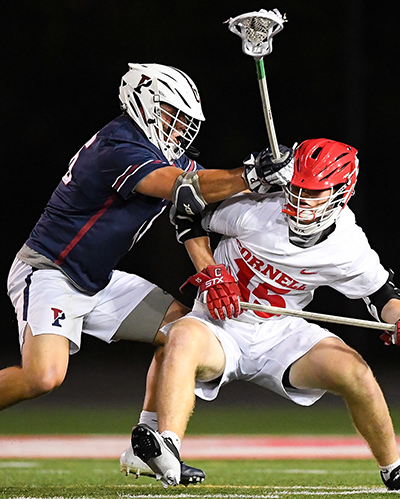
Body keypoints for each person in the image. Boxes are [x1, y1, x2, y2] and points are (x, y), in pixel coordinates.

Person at [4, 62, 295, 486]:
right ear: (142, 102)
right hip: (50, 269)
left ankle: (149, 446)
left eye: (183, 122)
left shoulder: (164, 153)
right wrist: (247, 175)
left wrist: (262, 187)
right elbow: (182, 187)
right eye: (171, 116)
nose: (178, 129)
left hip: (97, 278)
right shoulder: (118, 145)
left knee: (184, 331)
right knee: (43, 377)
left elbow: (194, 206)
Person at [130, 138, 400, 491]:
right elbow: (186, 211)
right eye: (298, 190)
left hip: (280, 332)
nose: (301, 203)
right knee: (181, 335)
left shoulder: (347, 245)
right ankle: (168, 447)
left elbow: (382, 294)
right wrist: (210, 270)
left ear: (342, 192)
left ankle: (393, 468)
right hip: (220, 326)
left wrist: (396, 319)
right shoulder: (258, 208)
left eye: (314, 194)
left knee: (356, 372)